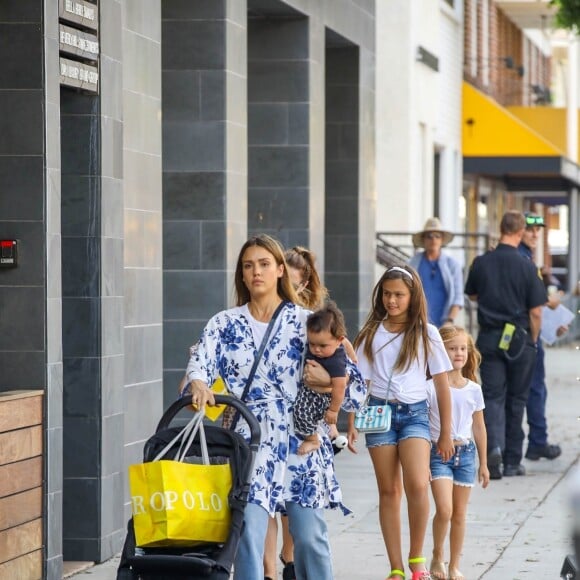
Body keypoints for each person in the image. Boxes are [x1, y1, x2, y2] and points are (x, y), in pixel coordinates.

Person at [182, 234, 366, 580]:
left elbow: (355, 391)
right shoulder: (223, 323)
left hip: (299, 436)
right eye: (248, 265)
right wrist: (198, 382)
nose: (256, 272)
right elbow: (197, 371)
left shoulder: (308, 322)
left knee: (310, 537)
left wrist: (328, 384)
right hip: (249, 439)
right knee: (249, 536)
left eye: (265, 264)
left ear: (281, 270)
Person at [351, 265, 454, 580]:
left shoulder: (426, 333)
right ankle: (396, 566)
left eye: (398, 295)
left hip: (415, 414)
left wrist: (446, 432)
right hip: (379, 414)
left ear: (412, 296)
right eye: (387, 294)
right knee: (389, 490)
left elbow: (441, 385)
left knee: (418, 483)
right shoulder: (371, 333)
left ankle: (417, 559)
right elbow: (359, 382)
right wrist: (351, 421)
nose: (392, 301)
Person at [464, 210, 547, 480]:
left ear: (500, 228)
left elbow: (473, 293)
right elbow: (536, 311)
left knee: (492, 398)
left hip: (488, 337)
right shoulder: (526, 266)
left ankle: (493, 452)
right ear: (521, 230)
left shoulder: (482, 261)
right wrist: (533, 340)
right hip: (519, 338)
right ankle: (513, 460)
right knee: (517, 399)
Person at [427, 325, 490, 580]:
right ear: (441, 352)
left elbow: (479, 426)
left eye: (463, 348)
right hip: (438, 453)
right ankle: (437, 555)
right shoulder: (430, 386)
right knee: (445, 510)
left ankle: (454, 565)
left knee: (460, 514)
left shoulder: (473, 389)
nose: (459, 353)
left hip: (465, 455)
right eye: (452, 349)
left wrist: (483, 463)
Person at [518, 212, 563, 461]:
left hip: (528, 331)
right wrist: (550, 302)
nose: (535, 234)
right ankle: (536, 441)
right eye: (529, 229)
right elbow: (532, 305)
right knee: (533, 390)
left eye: (538, 230)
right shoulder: (522, 259)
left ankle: (531, 441)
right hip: (527, 335)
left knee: (531, 390)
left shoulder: (529, 258)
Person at [294, 302, 348, 454]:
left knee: (301, 413)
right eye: (312, 344)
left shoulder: (336, 361)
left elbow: (340, 386)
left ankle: (313, 440)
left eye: (323, 346)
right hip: (308, 391)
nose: (316, 349)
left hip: (320, 397)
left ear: (339, 340)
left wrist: (333, 410)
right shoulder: (320, 346)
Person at [408, 217, 464, 327]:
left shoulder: (452, 265)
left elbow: (458, 297)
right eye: (429, 236)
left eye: (437, 236)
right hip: (417, 322)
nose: (433, 240)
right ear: (423, 239)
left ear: (442, 240)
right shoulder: (412, 263)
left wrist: (450, 321)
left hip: (444, 323)